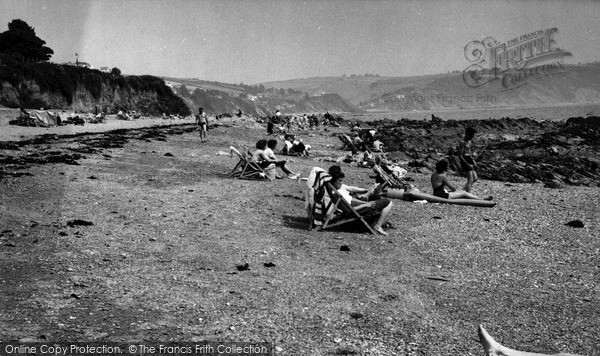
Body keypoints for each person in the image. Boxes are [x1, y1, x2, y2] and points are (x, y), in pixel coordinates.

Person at [327, 165, 394, 236]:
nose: (341, 183)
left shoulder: (336, 190)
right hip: (357, 209)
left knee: (376, 197)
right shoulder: (337, 194)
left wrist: (365, 198)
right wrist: (365, 204)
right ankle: (377, 226)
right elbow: (349, 210)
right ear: (333, 181)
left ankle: (376, 221)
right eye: (339, 181)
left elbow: (351, 196)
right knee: (388, 202)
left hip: (357, 206)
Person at [458, 127, 478, 192]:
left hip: (469, 158)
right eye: (471, 135)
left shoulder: (469, 141)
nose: (472, 137)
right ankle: (468, 194)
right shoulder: (462, 142)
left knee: (475, 178)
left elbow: (469, 153)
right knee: (470, 179)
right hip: (464, 160)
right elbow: (460, 155)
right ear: (468, 134)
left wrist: (473, 161)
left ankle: (461, 190)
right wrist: (467, 164)